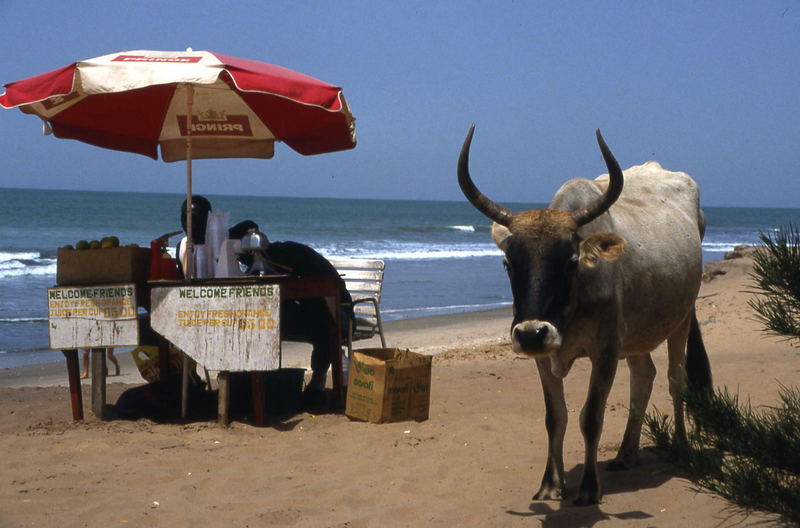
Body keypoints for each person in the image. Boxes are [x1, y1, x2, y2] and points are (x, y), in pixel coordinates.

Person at [229, 220, 354, 408]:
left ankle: (313, 387)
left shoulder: (282, 257)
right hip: (317, 313)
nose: (240, 260)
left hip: (338, 315)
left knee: (322, 327)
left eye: (239, 255)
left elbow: (319, 289)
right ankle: (258, 382)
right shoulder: (274, 257)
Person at [176, 195, 213, 279]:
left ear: (208, 219)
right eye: (184, 219)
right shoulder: (182, 247)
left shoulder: (220, 245)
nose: (188, 224)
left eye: (195, 219)